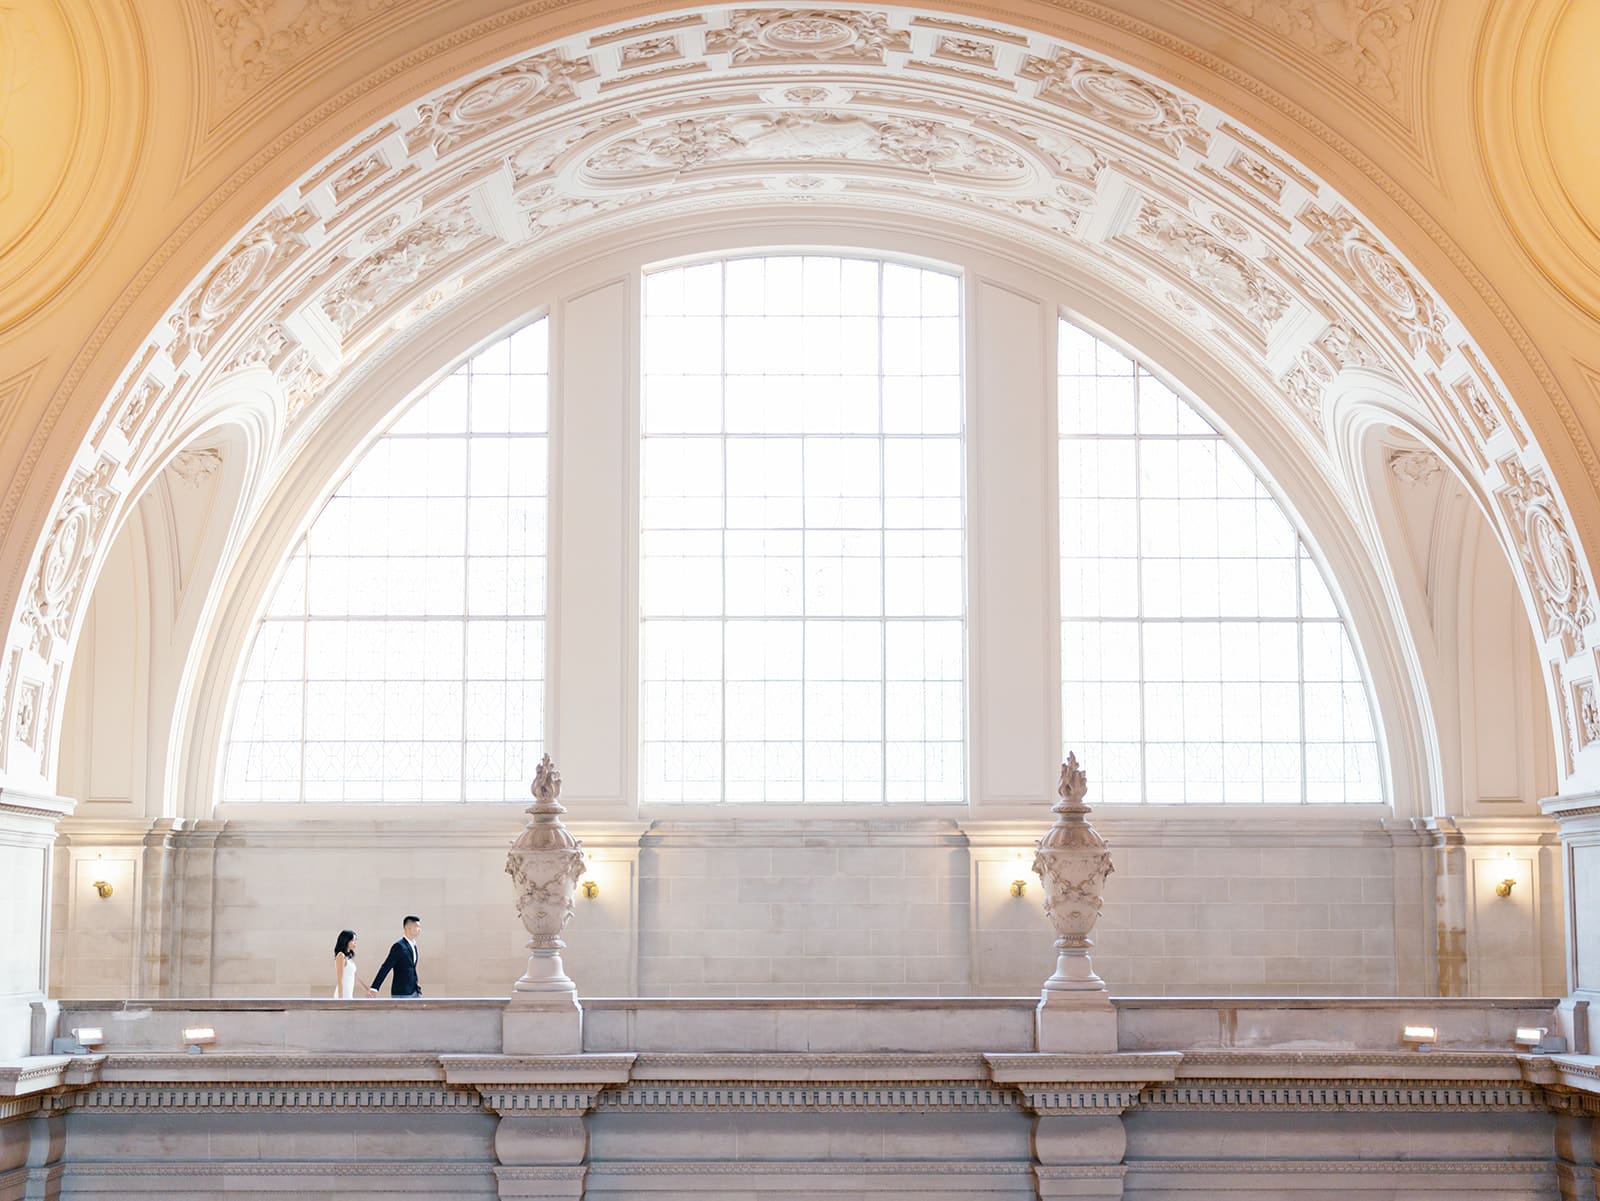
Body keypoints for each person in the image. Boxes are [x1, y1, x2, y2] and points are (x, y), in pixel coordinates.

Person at [370, 915, 423, 997]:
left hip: (414, 991)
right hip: (402, 993)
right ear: (408, 928)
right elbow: (386, 967)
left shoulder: (413, 945)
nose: (419, 929)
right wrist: (374, 987)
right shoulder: (399, 946)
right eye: (417, 927)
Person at [331, 930, 377, 998]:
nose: (355, 943)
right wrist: (340, 998)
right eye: (353, 940)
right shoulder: (341, 956)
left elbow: (355, 978)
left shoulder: (349, 958)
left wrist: (367, 990)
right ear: (346, 941)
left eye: (355, 940)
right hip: (342, 994)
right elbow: (339, 979)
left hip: (348, 993)